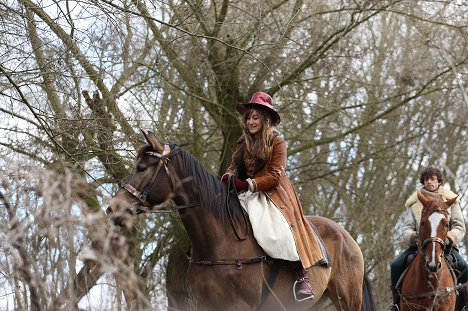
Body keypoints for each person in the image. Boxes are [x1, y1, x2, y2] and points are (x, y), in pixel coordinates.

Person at [221, 91, 328, 301]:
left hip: (272, 194)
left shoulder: (277, 142)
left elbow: (274, 176)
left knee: (276, 231)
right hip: (246, 193)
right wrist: (228, 176)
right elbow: (234, 166)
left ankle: (301, 276)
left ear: (265, 119)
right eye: (249, 117)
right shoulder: (242, 143)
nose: (251, 122)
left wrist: (248, 184)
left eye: (255, 117)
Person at [387, 166, 468, 311]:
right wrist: (414, 237)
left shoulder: (451, 200)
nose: (429, 182)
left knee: (465, 267)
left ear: (439, 181)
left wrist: (449, 237)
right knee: (395, 265)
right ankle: (396, 304)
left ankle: (466, 305)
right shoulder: (414, 203)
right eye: (426, 179)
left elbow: (459, 226)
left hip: (446, 247)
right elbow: (407, 228)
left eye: (432, 179)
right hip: (419, 246)